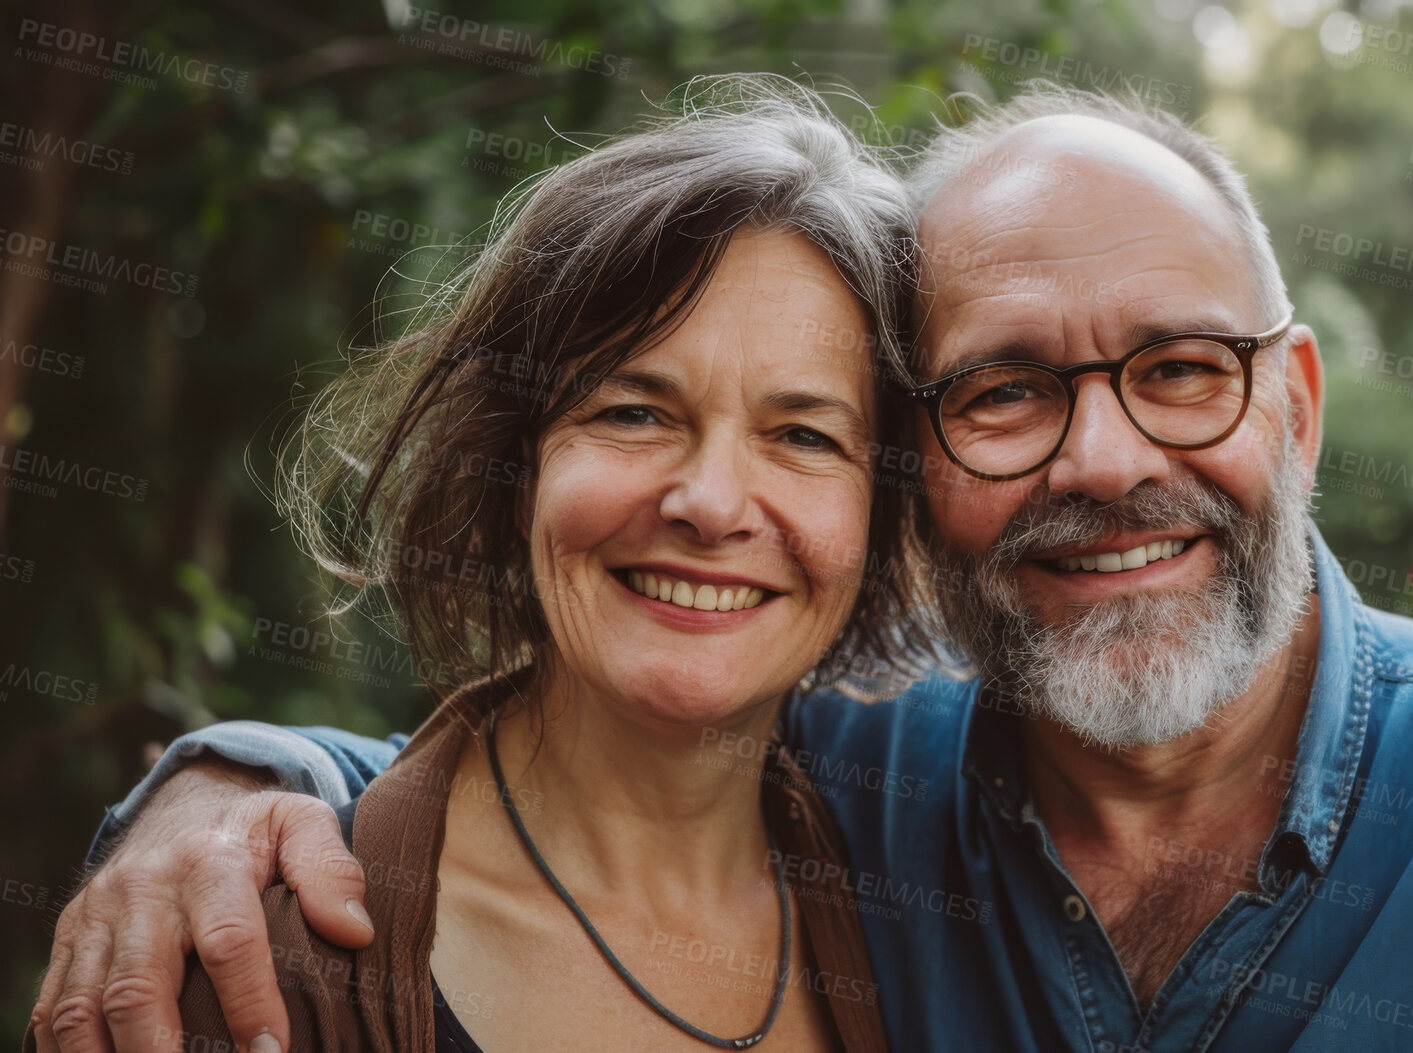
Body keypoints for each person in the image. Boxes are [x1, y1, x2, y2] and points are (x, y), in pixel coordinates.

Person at [32, 85, 1413, 1052]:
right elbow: (552, 785)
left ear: (1295, 405)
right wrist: (230, 777)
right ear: (925, 473)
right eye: (1007, 392)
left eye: (1177, 367)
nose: (1104, 460)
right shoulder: (861, 782)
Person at [26, 76, 927, 1053]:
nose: (709, 504)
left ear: (885, 517)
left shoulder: (941, 916)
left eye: (802, 434)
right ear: (514, 462)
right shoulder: (246, 965)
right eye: (632, 412)